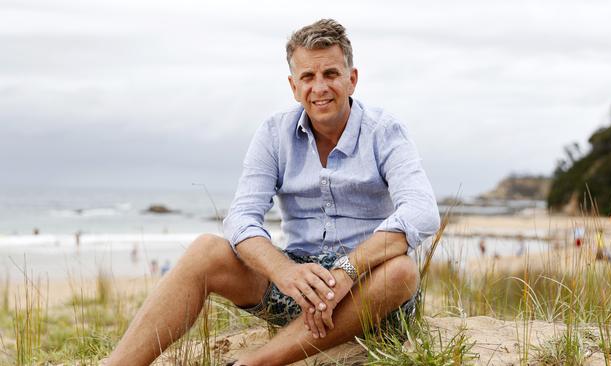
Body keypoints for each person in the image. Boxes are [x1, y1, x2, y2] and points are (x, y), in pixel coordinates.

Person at [106, 19, 439, 366]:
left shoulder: (385, 131)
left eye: (330, 74)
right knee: (206, 250)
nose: (320, 87)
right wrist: (285, 272)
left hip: (366, 292)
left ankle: (258, 361)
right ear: (294, 87)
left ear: (351, 79)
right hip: (297, 287)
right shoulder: (273, 134)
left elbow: (422, 211)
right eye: (308, 77)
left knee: (401, 271)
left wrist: (346, 272)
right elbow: (240, 219)